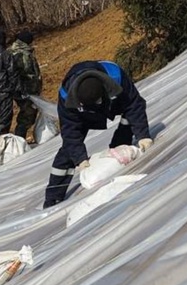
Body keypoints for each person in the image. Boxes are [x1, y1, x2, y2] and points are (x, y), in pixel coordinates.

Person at [43, 60, 153, 208]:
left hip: (110, 104)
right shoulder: (66, 96)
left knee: (129, 119)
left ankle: (118, 153)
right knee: (68, 151)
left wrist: (143, 135)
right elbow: (70, 133)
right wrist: (80, 160)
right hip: (82, 116)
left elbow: (134, 104)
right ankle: (53, 198)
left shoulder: (115, 76)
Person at [8, 30, 42, 139]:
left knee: (28, 113)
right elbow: (24, 71)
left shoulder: (18, 51)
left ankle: (20, 138)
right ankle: (20, 138)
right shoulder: (20, 53)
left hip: (26, 89)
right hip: (25, 90)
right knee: (28, 114)